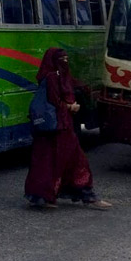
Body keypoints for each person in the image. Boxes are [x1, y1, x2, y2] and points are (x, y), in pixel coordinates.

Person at [24, 48, 112, 210]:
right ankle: (86, 196)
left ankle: (45, 197)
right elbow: (55, 101)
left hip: (57, 128)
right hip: (58, 128)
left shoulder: (57, 75)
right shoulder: (52, 77)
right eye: (61, 59)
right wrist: (71, 106)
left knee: (50, 162)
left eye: (66, 58)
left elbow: (73, 84)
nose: (65, 61)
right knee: (75, 160)